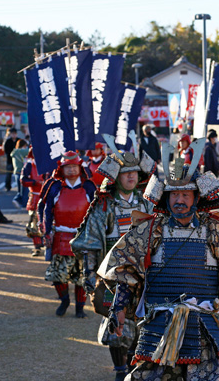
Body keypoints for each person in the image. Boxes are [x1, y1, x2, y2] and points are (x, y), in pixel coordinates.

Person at [97, 141, 219, 380]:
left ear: (196, 197)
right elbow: (126, 269)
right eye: (174, 194)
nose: (179, 200)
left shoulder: (215, 230)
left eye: (185, 194)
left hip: (204, 325)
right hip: (159, 325)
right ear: (165, 198)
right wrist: (119, 308)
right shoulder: (150, 229)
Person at [72, 142, 154, 381]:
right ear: (116, 177)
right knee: (117, 324)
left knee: (142, 323)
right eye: (126, 173)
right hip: (112, 276)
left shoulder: (147, 203)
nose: (130, 177)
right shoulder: (104, 205)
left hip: (144, 274)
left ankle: (133, 365)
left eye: (134, 173)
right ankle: (120, 370)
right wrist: (90, 276)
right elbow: (90, 243)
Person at [39, 151, 97, 318]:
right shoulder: (54, 187)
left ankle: (80, 308)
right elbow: (47, 211)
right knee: (57, 274)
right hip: (61, 236)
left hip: (84, 237)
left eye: (74, 167)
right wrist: (46, 231)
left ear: (80, 168)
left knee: (82, 276)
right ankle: (64, 300)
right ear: (62, 169)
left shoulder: (89, 187)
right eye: (68, 167)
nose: (71, 170)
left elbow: (97, 211)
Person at [21, 148, 48, 257]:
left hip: (46, 197)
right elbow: (23, 180)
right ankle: (37, 247)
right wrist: (34, 182)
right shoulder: (29, 165)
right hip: (35, 196)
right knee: (33, 223)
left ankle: (48, 246)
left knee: (48, 222)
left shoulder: (48, 165)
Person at [11, 139, 30, 208]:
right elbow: (30, 151)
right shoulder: (20, 151)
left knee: (21, 190)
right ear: (23, 145)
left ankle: (16, 200)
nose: (26, 147)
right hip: (21, 173)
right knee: (25, 191)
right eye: (25, 146)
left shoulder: (15, 152)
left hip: (16, 172)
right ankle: (24, 205)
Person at [2, 127, 20, 192]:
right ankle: (7, 186)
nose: (14, 135)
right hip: (10, 160)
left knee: (18, 174)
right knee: (8, 174)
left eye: (15, 133)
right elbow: (5, 150)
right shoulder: (8, 141)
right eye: (12, 134)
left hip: (18, 161)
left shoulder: (19, 140)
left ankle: (20, 187)